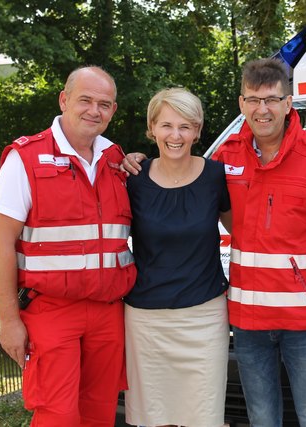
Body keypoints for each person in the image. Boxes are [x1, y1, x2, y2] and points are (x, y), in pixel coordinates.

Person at [123, 58, 306, 426]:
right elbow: (182, 178)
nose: (262, 109)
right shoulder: (226, 159)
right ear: (241, 104)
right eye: (253, 100)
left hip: (303, 315)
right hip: (248, 318)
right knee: (261, 418)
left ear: (288, 103)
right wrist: (136, 160)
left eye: (271, 99)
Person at [0, 66, 136, 426]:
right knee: (58, 414)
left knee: (100, 412)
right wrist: (9, 321)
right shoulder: (24, 159)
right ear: (64, 100)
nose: (94, 111)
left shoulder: (116, 161)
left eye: (104, 104)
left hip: (107, 311)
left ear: (113, 110)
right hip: (51, 311)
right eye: (85, 100)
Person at [123, 87, 232, 427]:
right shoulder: (132, 180)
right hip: (146, 321)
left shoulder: (216, 176)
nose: (175, 135)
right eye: (166, 125)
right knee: (155, 418)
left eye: (185, 126)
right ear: (151, 128)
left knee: (204, 416)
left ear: (198, 131)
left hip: (205, 317)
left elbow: (248, 232)